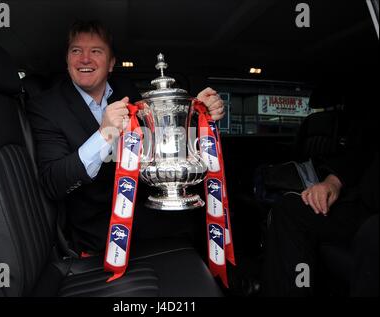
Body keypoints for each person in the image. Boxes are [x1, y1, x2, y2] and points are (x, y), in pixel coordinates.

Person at [27, 20, 225, 254]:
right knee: (187, 226)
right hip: (97, 223)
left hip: (143, 204)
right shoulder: (47, 106)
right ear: (68, 60)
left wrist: (196, 113)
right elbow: (52, 182)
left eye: (96, 51)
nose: (85, 59)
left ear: (111, 63)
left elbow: (158, 140)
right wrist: (104, 135)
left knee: (201, 214)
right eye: (76, 50)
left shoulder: (125, 90)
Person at [261, 136, 378, 296]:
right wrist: (334, 181)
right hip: (364, 207)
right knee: (290, 208)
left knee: (372, 232)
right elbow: (366, 150)